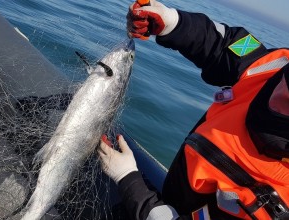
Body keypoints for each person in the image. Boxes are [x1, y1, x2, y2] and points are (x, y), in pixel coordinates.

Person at [98, 0, 289, 219]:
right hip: (172, 192)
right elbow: (227, 43)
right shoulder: (276, 65)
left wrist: (128, 178)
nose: (281, 92)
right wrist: (173, 22)